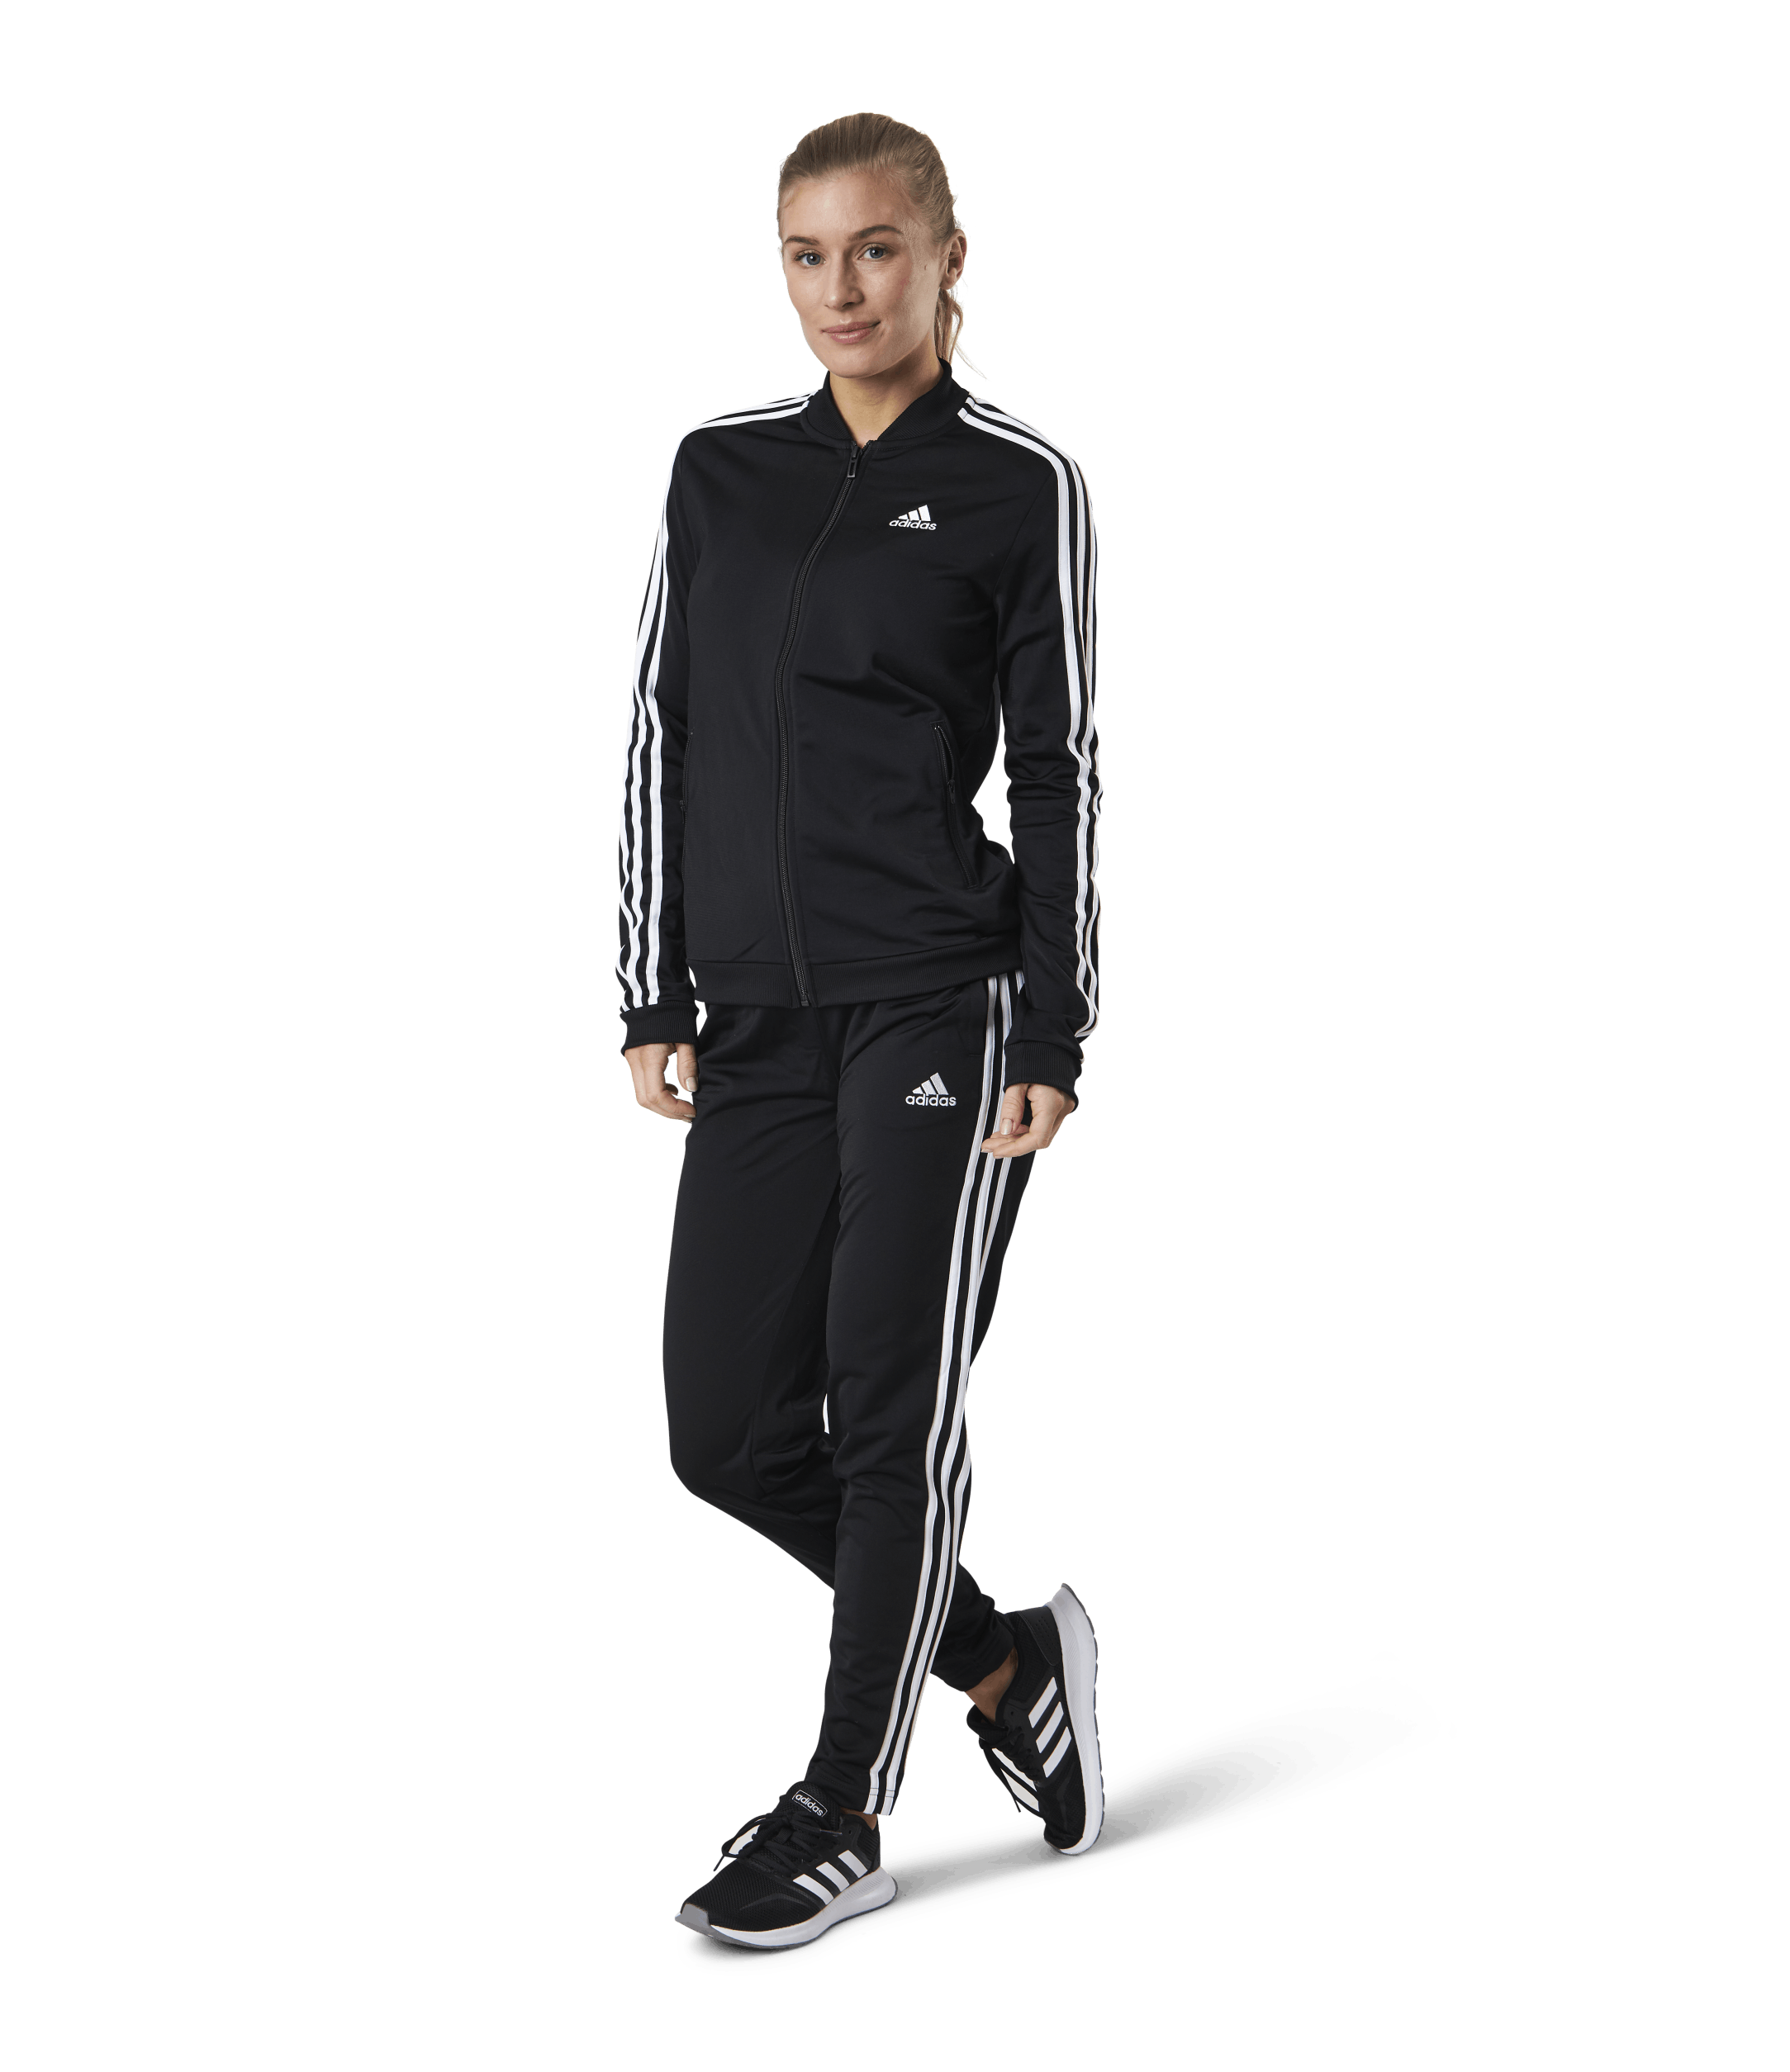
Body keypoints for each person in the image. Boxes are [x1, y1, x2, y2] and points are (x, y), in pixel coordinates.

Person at [615, 112, 1104, 1952]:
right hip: (751, 1011)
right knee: (726, 1433)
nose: (840, 288)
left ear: (948, 258)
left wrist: (1053, 1024)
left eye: (875, 249)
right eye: (807, 255)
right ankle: (1005, 1662)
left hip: (936, 1004)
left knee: (890, 1418)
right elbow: (660, 723)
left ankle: (844, 1813)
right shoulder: (718, 466)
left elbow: (1058, 769)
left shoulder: (1020, 481)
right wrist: (653, 982)